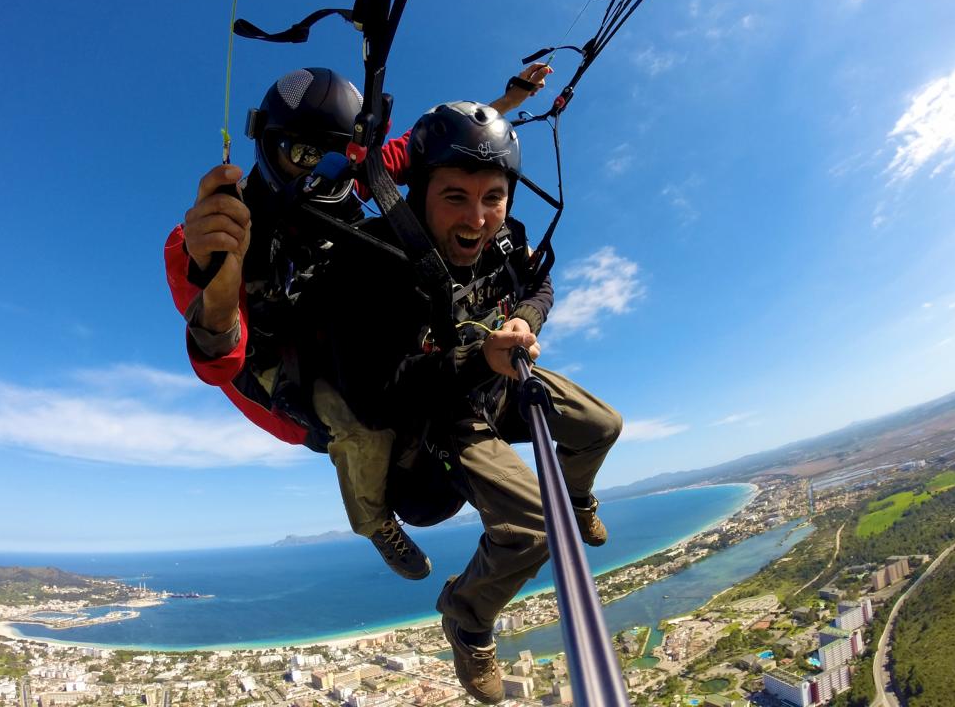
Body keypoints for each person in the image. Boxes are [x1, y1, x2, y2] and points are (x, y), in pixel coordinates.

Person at [165, 65, 552, 581]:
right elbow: (219, 359)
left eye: (338, 155)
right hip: (277, 354)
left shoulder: (357, 173)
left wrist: (504, 103)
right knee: (359, 421)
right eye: (301, 154)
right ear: (267, 141)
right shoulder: (214, 235)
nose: (318, 172)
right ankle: (374, 523)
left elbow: (434, 143)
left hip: (335, 310)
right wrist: (218, 275)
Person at [298, 101, 622, 703]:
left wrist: (523, 320)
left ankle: (575, 496)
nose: (477, 219)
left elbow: (539, 284)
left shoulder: (504, 240)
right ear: (419, 190)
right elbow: (374, 398)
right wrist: (480, 359)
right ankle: (468, 617)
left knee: (600, 425)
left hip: (495, 377)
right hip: (437, 414)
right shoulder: (371, 263)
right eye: (455, 197)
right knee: (532, 528)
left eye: (493, 197)